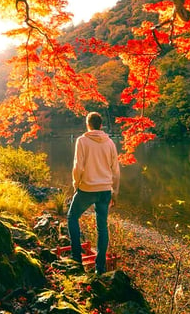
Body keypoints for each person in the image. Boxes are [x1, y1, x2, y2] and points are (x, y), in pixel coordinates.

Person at [67, 111, 120, 275]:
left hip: (87, 188)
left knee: (72, 217)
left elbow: (78, 167)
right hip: (105, 190)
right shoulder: (110, 142)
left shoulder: (82, 141)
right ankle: (100, 268)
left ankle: (76, 259)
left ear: (87, 124)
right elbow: (116, 171)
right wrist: (115, 191)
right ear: (101, 125)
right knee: (102, 227)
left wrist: (76, 184)